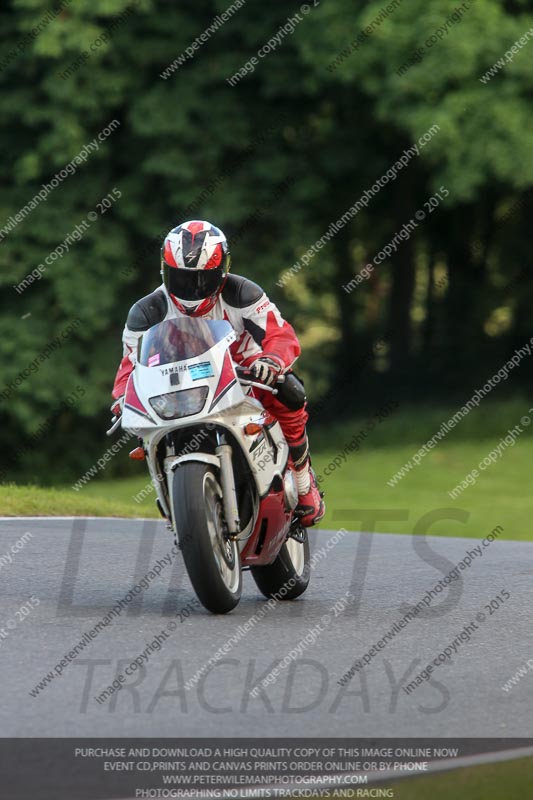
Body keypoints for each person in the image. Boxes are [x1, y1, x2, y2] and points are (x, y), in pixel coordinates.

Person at [111, 220, 324, 526]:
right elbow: (129, 365)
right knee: (144, 436)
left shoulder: (243, 293)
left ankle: (304, 482)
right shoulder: (146, 311)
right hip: (180, 386)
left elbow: (281, 334)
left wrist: (272, 361)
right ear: (165, 270)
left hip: (247, 374)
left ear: (222, 272)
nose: (193, 288)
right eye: (182, 278)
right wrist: (121, 398)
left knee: (290, 392)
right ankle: (175, 499)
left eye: (203, 279)